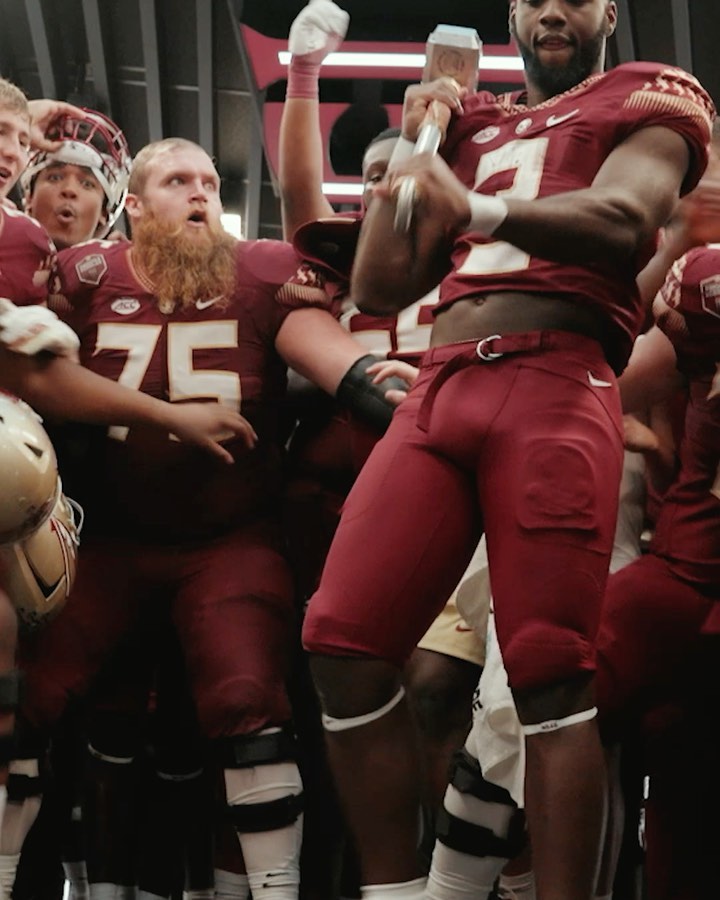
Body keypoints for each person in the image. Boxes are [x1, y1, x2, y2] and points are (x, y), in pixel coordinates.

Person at [301, 2, 714, 899]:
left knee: (550, 678)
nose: (553, 10)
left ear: (609, 11)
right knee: (340, 641)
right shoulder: (471, 121)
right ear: (514, 14)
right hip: (444, 383)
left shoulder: (647, 92)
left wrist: (476, 205)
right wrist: (415, 154)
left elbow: (623, 219)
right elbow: (379, 281)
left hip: (556, 378)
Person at [15, 135, 404, 900]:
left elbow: (335, 361)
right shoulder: (85, 272)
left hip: (228, 541)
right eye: (177, 180)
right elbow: (33, 374)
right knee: (27, 700)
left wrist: (388, 390)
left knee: (246, 697)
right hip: (109, 541)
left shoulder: (259, 270)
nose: (199, 192)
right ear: (133, 205)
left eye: (209, 181)